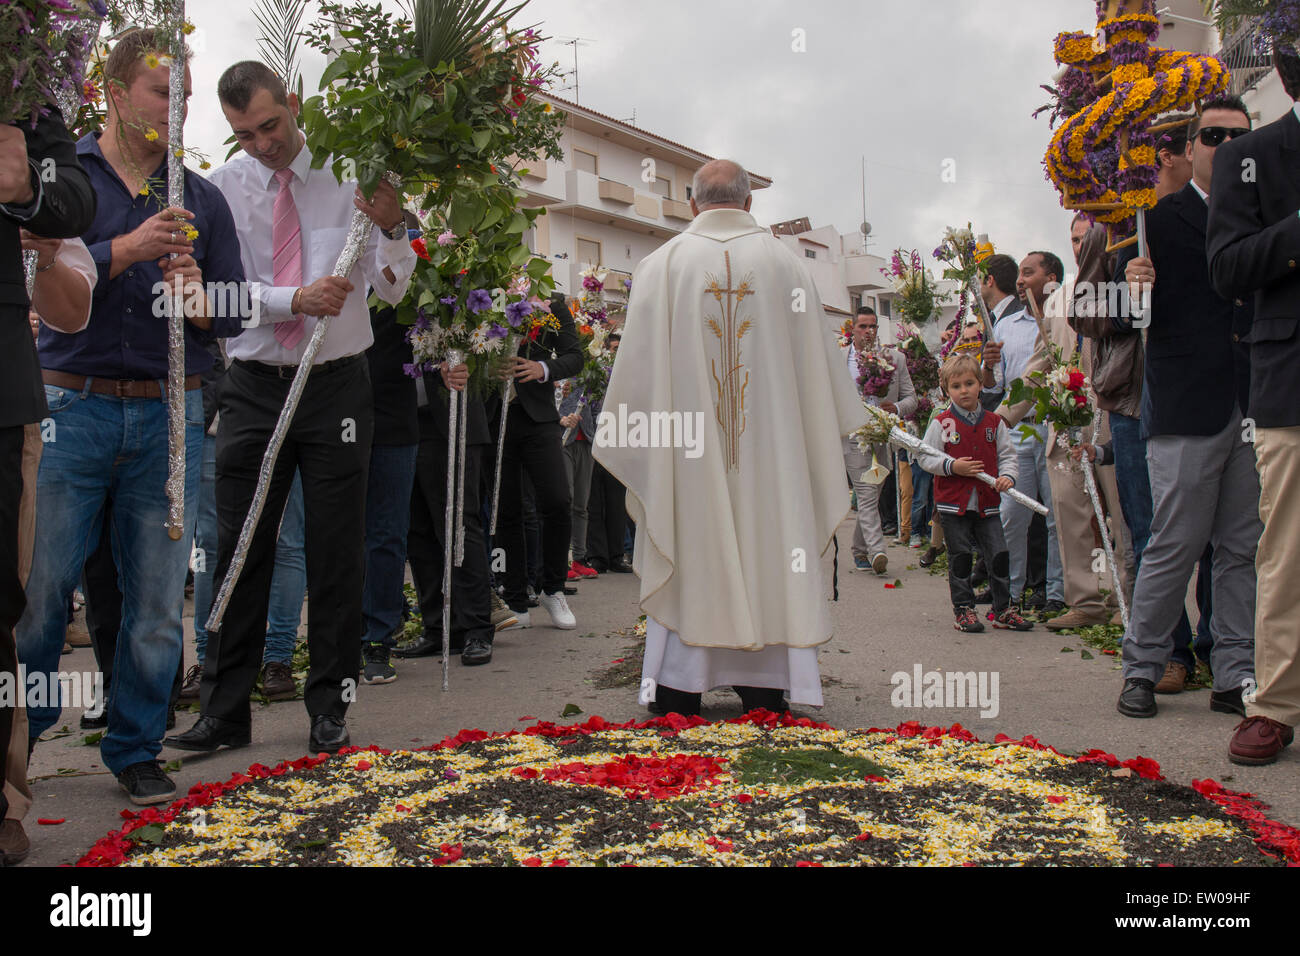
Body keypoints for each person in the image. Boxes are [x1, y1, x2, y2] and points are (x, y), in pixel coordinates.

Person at [18, 31, 244, 809]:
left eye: (183, 94)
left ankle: (137, 745)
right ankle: (23, 733)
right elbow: (44, 285)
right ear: (113, 91)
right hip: (67, 405)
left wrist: (200, 301)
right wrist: (128, 249)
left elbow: (235, 312)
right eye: (160, 92)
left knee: (155, 598)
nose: (174, 110)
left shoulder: (202, 197)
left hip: (166, 413)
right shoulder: (62, 179)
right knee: (38, 590)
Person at [167, 61, 415, 756]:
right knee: (238, 546)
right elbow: (217, 295)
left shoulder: (353, 174)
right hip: (252, 384)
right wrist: (292, 299)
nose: (261, 144)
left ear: (295, 107)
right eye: (244, 133)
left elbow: (395, 291)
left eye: (270, 126)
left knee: (337, 549)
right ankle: (223, 710)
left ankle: (331, 707)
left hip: (336, 383)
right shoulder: (222, 189)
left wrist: (393, 229)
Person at [596, 159, 865, 717]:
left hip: (684, 456)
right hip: (774, 456)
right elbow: (820, 381)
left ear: (693, 204)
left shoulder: (661, 266)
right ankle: (765, 686)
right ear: (749, 204)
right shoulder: (788, 269)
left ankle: (679, 685)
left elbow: (637, 383)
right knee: (774, 541)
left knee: (691, 538)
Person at [1115, 97, 1259, 725]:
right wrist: (1133, 288)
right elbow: (1121, 318)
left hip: (1256, 401)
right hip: (1182, 404)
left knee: (1242, 547)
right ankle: (1141, 667)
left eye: (1238, 136)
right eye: (1212, 136)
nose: (1225, 147)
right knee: (1173, 541)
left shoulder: (1269, 214)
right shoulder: (1156, 221)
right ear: (1191, 147)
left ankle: (1236, 672)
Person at [1, 100, 96, 864]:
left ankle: (2, 802)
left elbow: (72, 200)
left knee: (5, 602)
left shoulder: (20, 73)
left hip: (2, 400)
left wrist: (24, 188)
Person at [1206, 51, 1300, 765]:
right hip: (1291, 380)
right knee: (1287, 552)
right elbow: (1229, 269)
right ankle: (1274, 704)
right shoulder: (1250, 157)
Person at [1003, 218, 1131, 633]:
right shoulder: (1056, 303)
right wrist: (1002, 416)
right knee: (1070, 515)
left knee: (1122, 515)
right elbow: (1040, 367)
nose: (1081, 245)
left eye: (1088, 237)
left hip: (1114, 420)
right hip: (1064, 423)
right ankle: (1085, 601)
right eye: (1075, 239)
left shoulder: (1124, 287)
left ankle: (1128, 602)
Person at [915, 353, 1031, 633]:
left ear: (980, 384)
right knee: (961, 556)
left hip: (988, 503)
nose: (963, 390)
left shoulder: (995, 422)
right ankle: (963, 609)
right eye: (956, 386)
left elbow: (1007, 456)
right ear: (947, 390)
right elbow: (925, 458)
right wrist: (952, 466)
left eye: (969, 383)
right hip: (954, 505)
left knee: (999, 554)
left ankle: (1003, 609)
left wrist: (1007, 477)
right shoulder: (942, 422)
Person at [489, 294, 583, 626]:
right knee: (507, 510)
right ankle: (515, 598)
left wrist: (541, 367)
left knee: (558, 500)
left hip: (538, 416)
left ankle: (553, 588)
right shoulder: (475, 286)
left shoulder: (548, 297)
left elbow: (575, 356)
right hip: (491, 414)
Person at [396, 359, 497, 668]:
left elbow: (483, 345)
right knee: (418, 530)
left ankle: (476, 626)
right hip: (400, 419)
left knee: (457, 526)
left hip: (451, 414)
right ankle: (439, 625)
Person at [985, 252, 1066, 615]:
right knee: (1011, 513)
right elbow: (996, 384)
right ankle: (1008, 591)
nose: (1019, 280)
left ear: (1051, 277)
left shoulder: (1066, 317)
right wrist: (987, 366)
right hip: (1017, 430)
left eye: (1028, 273)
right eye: (1018, 273)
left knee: (1056, 518)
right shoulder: (1006, 325)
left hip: (1057, 428)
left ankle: (1056, 593)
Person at [357, 303, 420, 682]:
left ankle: (378, 637)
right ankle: (340, 635)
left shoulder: (412, 261)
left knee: (388, 534)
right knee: (339, 534)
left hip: (395, 420)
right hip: (335, 413)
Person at [843, 306, 916, 576]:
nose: (868, 331)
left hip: (883, 436)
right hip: (853, 437)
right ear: (853, 329)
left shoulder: (894, 358)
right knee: (864, 491)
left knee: (873, 494)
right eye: (863, 326)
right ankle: (877, 551)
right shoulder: (838, 359)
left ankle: (859, 549)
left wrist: (895, 408)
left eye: (872, 326)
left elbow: (912, 398)